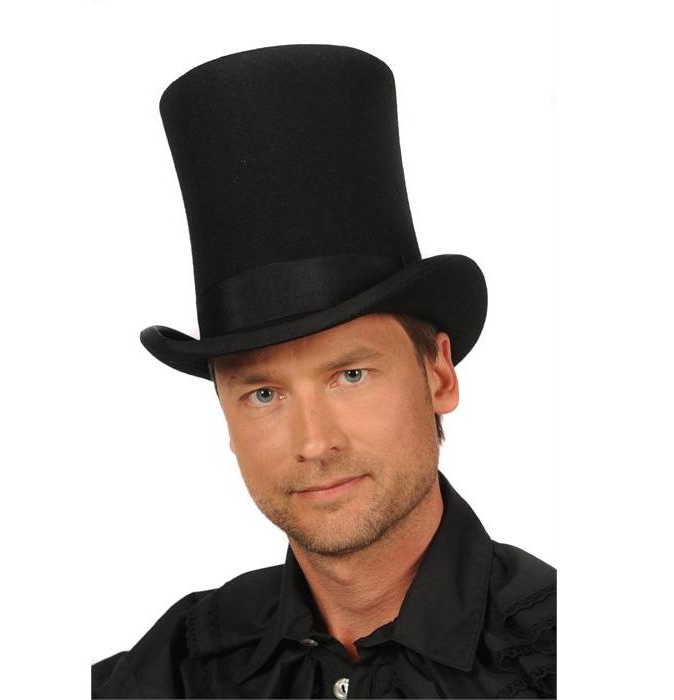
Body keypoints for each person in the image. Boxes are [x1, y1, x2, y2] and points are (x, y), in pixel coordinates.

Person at [91, 44, 556, 699]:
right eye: (263, 393)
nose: (314, 442)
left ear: (439, 376)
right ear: (226, 417)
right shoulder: (173, 672)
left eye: (351, 375)